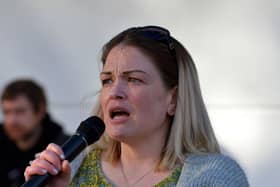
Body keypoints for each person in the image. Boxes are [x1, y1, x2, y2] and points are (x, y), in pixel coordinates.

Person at [24, 26, 249, 187]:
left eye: (133, 79)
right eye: (107, 80)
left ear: (173, 99)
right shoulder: (72, 170)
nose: (115, 92)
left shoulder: (216, 176)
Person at [0, 79, 70, 187]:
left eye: (20, 111)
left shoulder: (66, 148)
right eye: (7, 112)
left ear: (40, 111)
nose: (11, 121)